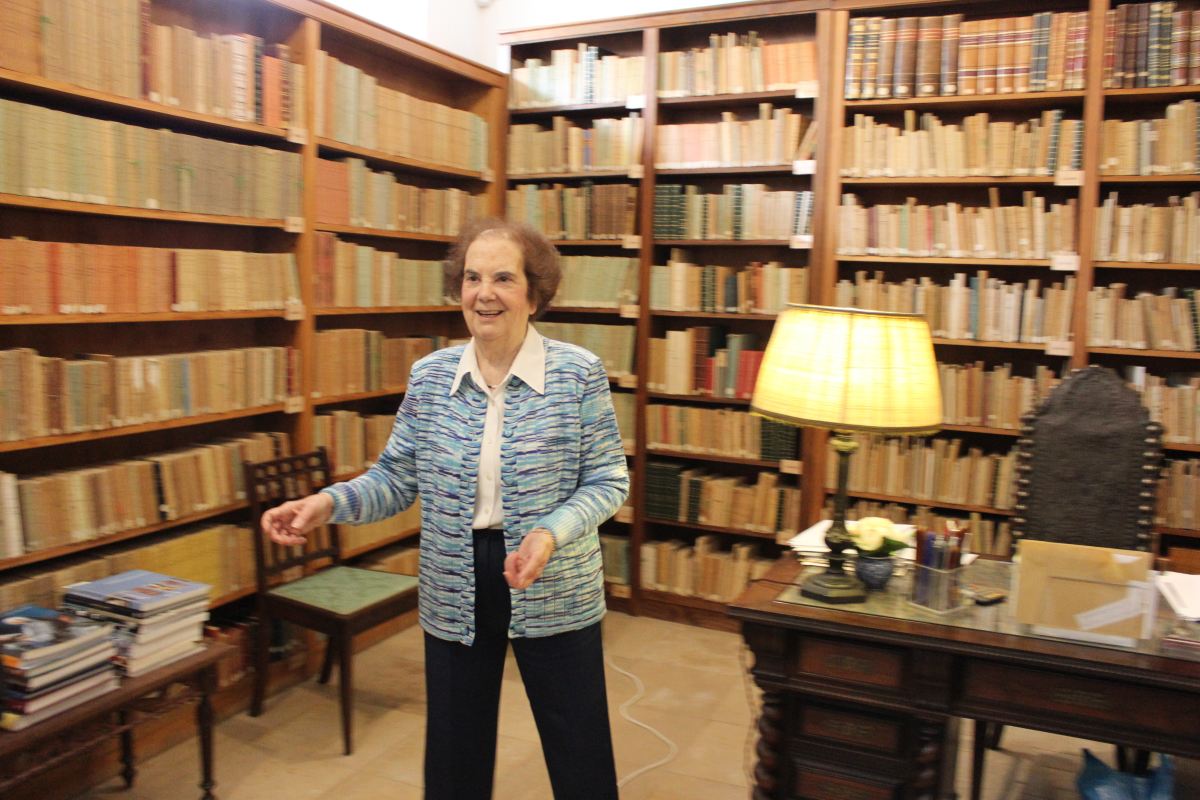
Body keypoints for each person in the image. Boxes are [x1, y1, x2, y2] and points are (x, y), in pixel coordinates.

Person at [260, 217, 629, 800]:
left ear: (534, 294)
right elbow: (395, 478)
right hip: (455, 579)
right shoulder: (430, 377)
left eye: (503, 278)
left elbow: (607, 480)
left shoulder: (577, 374)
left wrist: (550, 533)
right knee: (456, 755)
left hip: (553, 577)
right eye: (472, 278)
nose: (484, 294)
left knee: (578, 749)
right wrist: (326, 503)